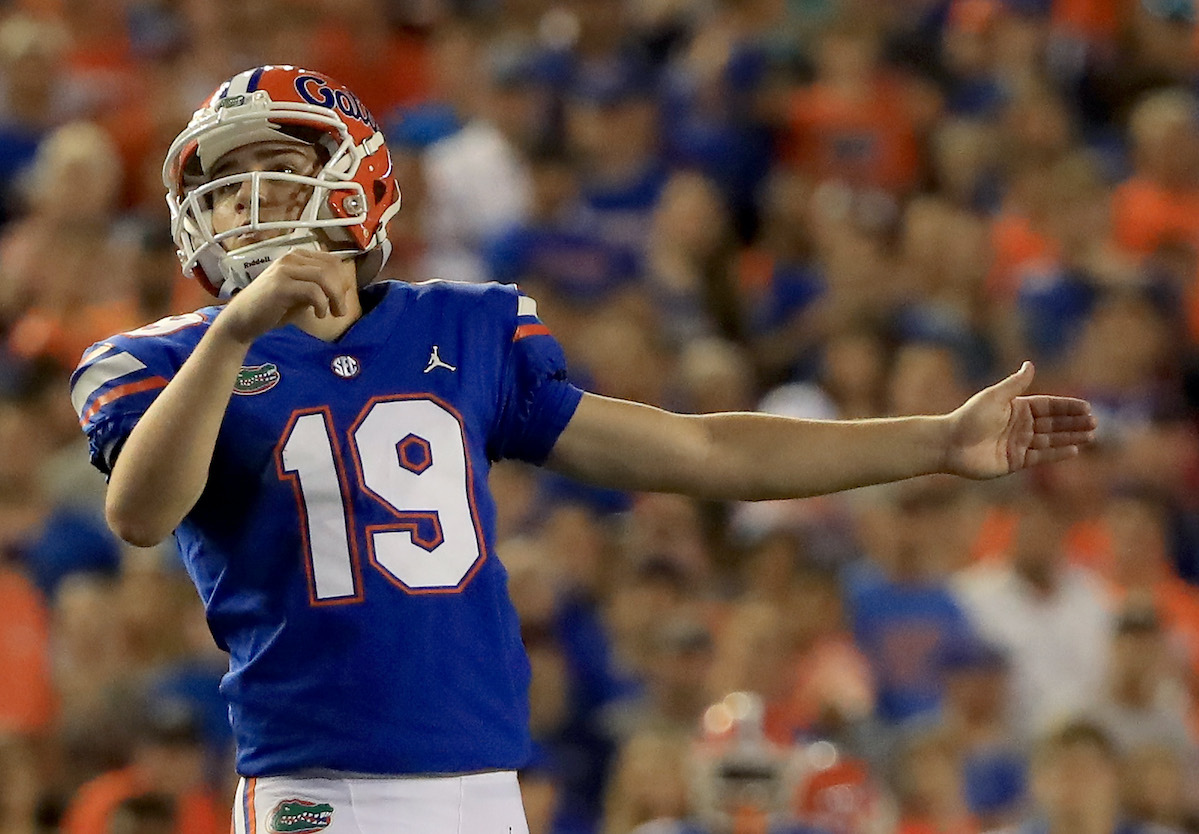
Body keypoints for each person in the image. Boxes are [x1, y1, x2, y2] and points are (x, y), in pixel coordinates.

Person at [69, 66, 1097, 834]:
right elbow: (141, 513)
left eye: (277, 168)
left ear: (356, 181)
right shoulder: (158, 360)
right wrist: (237, 334)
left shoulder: (458, 328)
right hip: (316, 786)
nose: (247, 199)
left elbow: (700, 453)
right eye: (229, 179)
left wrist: (931, 439)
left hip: (480, 780)